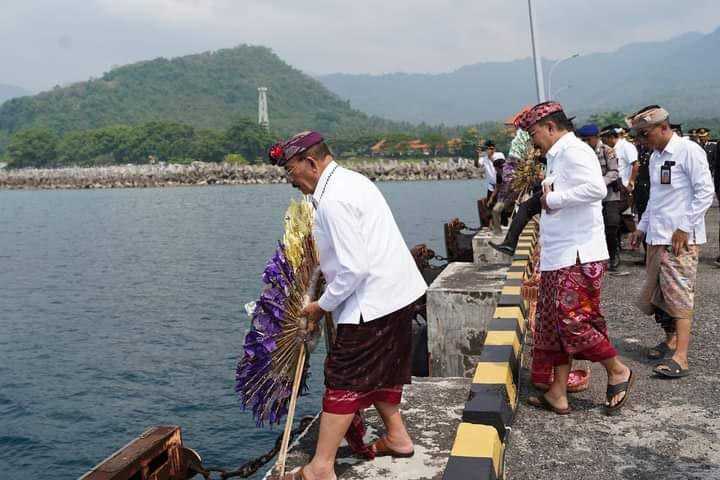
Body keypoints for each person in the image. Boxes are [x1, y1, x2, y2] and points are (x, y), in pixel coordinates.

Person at [269, 131, 427, 479]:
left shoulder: (333, 200)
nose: (291, 181)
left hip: (372, 304)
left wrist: (321, 306)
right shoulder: (351, 181)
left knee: (344, 378)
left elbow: (354, 268)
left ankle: (321, 468)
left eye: (291, 171)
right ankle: (398, 437)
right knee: (383, 370)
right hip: (397, 295)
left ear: (311, 162)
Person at [517, 102, 634, 416]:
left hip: (578, 254)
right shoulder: (557, 156)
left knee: (573, 324)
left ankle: (617, 369)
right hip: (561, 254)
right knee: (556, 327)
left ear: (551, 127)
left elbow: (596, 188)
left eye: (534, 133)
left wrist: (552, 199)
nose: (533, 140)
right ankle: (557, 392)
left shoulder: (573, 151)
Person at [627, 107, 714, 378]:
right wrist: (641, 228)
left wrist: (684, 227)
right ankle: (671, 339)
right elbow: (656, 199)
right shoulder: (655, 157)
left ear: (663, 128)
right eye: (639, 136)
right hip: (657, 236)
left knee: (679, 295)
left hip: (679, 240)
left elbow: (705, 192)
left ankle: (682, 357)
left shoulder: (688, 151)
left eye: (645, 134)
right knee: (658, 295)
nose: (642, 140)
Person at [577, 124, 625, 272]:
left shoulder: (607, 151)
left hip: (609, 193)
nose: (585, 143)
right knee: (595, 227)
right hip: (591, 196)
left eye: (587, 139)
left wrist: (599, 183)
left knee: (611, 224)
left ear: (595, 138)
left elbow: (614, 172)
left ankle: (614, 254)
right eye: (583, 140)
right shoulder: (581, 152)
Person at [693, 127, 720, 267]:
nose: (702, 137)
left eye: (704, 135)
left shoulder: (714, 146)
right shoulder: (694, 147)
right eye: (700, 135)